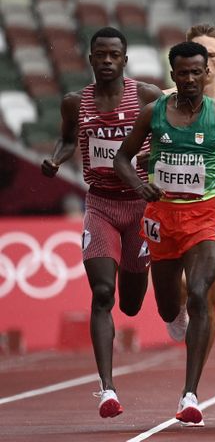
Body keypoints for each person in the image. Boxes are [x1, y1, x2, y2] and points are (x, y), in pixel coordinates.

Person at [113, 41, 215, 425]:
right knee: (170, 306)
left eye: (196, 73)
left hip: (204, 216)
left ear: (207, 75)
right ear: (173, 75)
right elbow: (121, 158)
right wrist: (139, 186)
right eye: (182, 73)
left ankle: (190, 394)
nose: (189, 79)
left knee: (200, 293)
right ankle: (175, 315)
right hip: (161, 218)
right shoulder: (154, 113)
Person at [41, 26, 162, 419]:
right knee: (103, 293)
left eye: (114, 55)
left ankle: (134, 290)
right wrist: (56, 159)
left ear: (124, 60)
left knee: (130, 302)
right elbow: (66, 139)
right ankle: (107, 388)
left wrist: (153, 163)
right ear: (90, 59)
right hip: (102, 205)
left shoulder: (147, 96)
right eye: (100, 55)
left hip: (140, 206)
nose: (107, 61)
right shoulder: (74, 102)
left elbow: (169, 136)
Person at [163, 24, 215, 359]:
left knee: (207, 297)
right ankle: (175, 306)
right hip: (172, 206)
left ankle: (193, 388)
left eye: (212, 57)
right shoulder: (165, 102)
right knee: (180, 287)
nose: (205, 65)